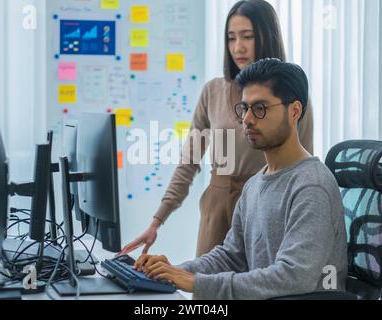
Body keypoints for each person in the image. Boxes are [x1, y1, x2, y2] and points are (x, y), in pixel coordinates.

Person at [133, 59, 348, 300]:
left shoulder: (312, 186)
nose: (246, 119)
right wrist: (175, 271)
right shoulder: (255, 184)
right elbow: (232, 255)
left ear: (294, 111)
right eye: (244, 108)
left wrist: (196, 282)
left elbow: (293, 276)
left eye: (260, 108)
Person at [120, 0, 314, 258]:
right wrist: (157, 220)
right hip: (217, 210)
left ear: (267, 37)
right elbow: (188, 161)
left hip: (266, 209)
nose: (238, 47)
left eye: (248, 37)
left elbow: (302, 166)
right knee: (205, 287)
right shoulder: (213, 91)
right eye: (231, 38)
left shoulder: (292, 98)